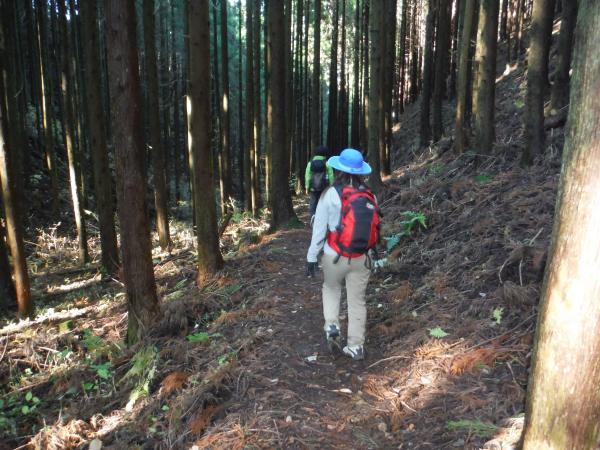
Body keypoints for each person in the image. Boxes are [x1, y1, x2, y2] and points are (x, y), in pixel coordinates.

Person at [306, 148, 380, 361]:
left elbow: (319, 229)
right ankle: (356, 346)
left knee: (331, 289)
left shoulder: (329, 194)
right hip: (361, 257)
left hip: (334, 255)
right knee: (357, 301)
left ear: (338, 169)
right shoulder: (370, 195)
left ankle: (332, 327)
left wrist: (311, 256)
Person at [305, 146, 334, 221]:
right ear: (325, 154)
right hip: (324, 187)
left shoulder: (310, 163)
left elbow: (307, 176)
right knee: (323, 202)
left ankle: (312, 217)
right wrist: (331, 186)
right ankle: (322, 218)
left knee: (313, 202)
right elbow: (331, 176)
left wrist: (307, 187)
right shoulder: (327, 163)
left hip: (313, 187)